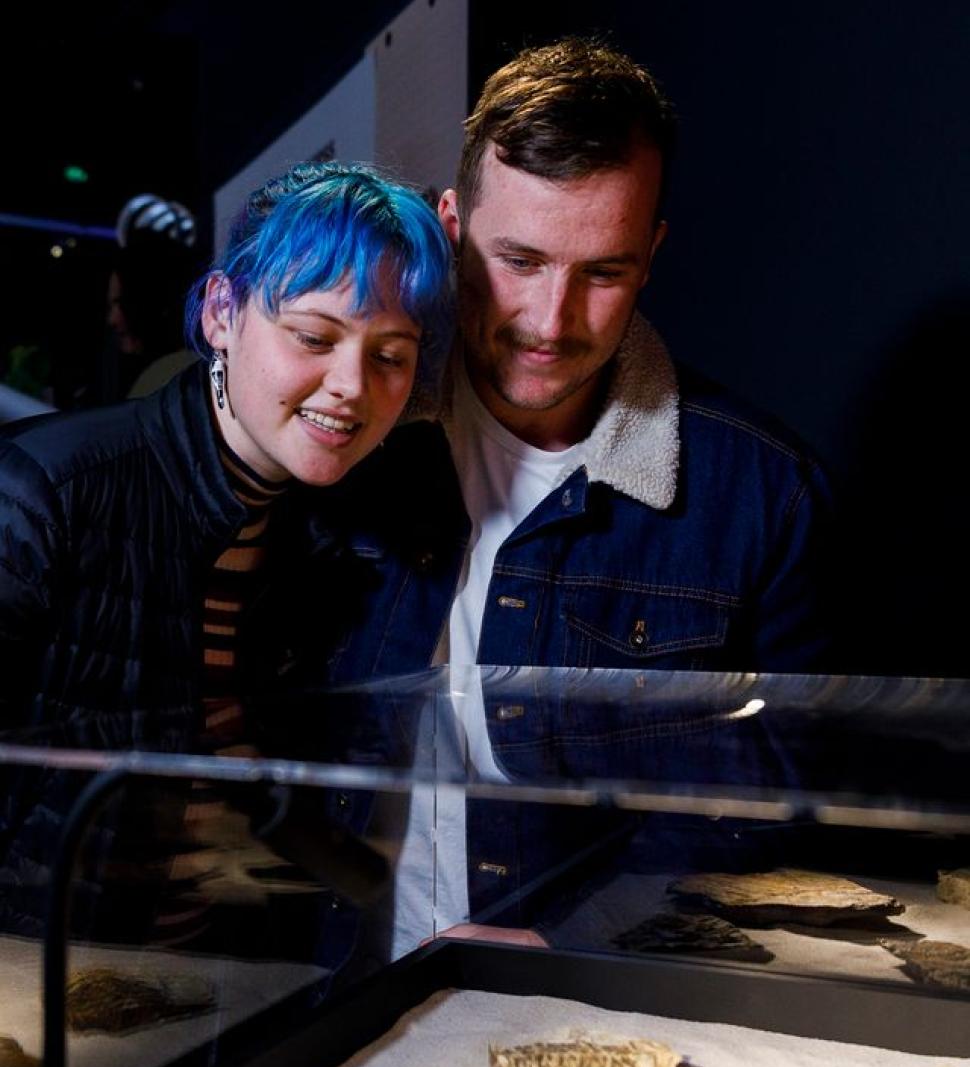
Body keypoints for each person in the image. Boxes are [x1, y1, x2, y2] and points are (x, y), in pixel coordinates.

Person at [313, 38, 836, 958]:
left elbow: (785, 805)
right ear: (448, 223)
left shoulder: (762, 492)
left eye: (603, 274)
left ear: (652, 254)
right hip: (327, 1002)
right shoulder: (348, 439)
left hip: (604, 1009)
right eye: (518, 259)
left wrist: (579, 939)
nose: (551, 323)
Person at [0, 160, 452, 939]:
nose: (351, 384)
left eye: (390, 355)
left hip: (199, 999)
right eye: (314, 335)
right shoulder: (48, 492)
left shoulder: (323, 533)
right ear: (221, 312)